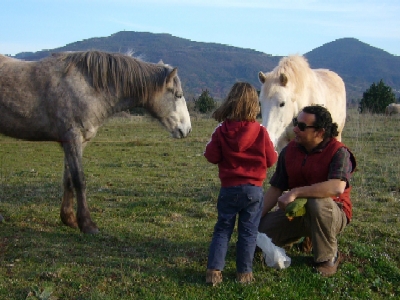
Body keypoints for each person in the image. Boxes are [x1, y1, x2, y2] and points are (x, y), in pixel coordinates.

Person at [258, 105, 356, 277]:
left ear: (319, 132)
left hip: (332, 212)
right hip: (297, 212)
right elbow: (276, 189)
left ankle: (327, 257)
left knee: (317, 202)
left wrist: (296, 192)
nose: (295, 129)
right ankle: (301, 236)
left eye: (302, 127)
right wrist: (254, 220)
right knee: (259, 234)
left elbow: (336, 187)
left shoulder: (339, 152)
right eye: (296, 123)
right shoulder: (289, 151)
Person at [204, 82, 278, 285]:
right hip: (253, 191)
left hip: (229, 189)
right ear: (255, 104)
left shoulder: (222, 130)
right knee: (248, 232)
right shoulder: (261, 132)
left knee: (222, 229)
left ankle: (214, 271)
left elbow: (211, 156)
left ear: (231, 101)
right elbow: (271, 160)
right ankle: (244, 274)